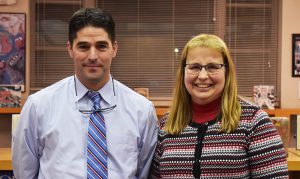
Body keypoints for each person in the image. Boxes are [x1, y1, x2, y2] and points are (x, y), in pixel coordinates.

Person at [12, 8, 158, 179]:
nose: (93, 56)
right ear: (70, 49)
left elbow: (144, 172)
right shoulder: (39, 106)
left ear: (114, 49)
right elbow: (24, 172)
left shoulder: (142, 110)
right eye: (83, 46)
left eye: (101, 46)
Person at [150, 34, 288, 178]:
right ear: (183, 72)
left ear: (227, 72)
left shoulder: (254, 121)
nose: (203, 76)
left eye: (213, 67)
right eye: (195, 67)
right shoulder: (167, 123)